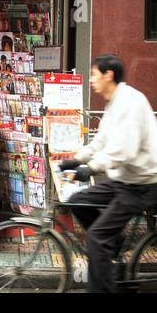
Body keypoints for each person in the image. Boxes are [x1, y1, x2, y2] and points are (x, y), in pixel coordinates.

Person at [59, 54, 157, 292]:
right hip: (122, 180)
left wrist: (90, 169)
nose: (91, 80)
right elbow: (100, 142)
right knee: (77, 201)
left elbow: (124, 151)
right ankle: (115, 243)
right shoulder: (113, 102)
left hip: (142, 184)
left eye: (94, 74)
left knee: (96, 237)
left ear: (108, 75)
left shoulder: (130, 102)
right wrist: (74, 160)